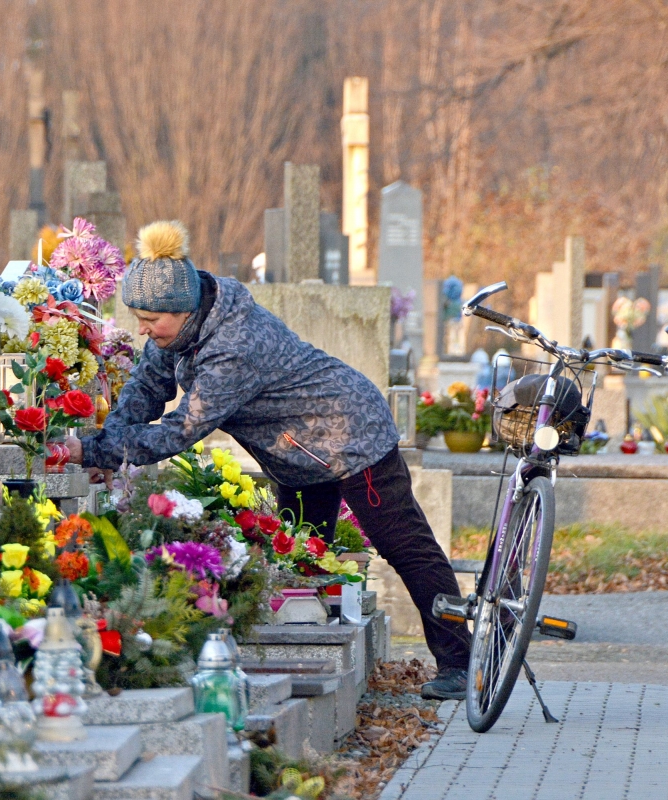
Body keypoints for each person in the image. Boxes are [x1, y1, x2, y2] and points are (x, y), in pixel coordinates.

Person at [66, 220, 470, 700]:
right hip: (297, 455)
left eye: (151, 320)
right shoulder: (181, 329)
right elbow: (148, 389)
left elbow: (182, 430)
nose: (143, 329)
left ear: (182, 308)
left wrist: (91, 449)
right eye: (138, 318)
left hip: (349, 434)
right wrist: (109, 446)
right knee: (300, 551)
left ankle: (462, 663)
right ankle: (315, 659)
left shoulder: (234, 347)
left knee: (406, 548)